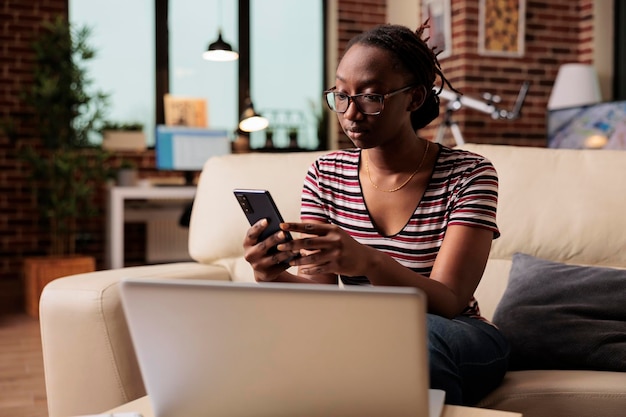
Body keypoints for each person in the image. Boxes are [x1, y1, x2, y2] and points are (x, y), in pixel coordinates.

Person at [242, 22, 509, 406]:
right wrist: (268, 275)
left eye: (370, 98)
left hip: (455, 333)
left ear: (414, 98)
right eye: (341, 95)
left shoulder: (470, 174)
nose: (351, 113)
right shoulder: (325, 175)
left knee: (414, 341)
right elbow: (319, 293)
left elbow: (449, 300)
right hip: (360, 332)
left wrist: (367, 261)